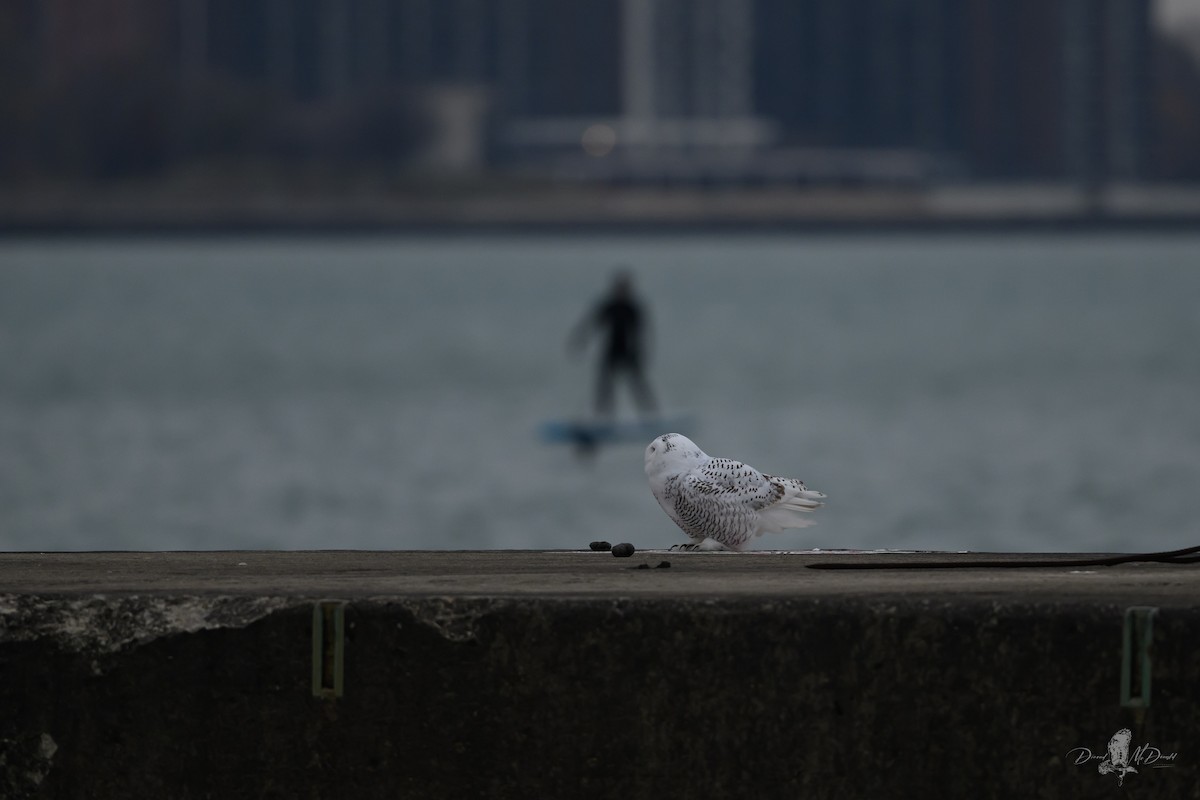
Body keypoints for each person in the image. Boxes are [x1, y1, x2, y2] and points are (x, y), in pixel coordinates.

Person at [569, 270, 658, 418]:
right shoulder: (609, 306)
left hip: (629, 352)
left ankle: (650, 415)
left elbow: (641, 333)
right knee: (604, 387)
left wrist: (642, 353)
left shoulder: (633, 308)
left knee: (639, 386)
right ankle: (602, 416)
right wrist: (579, 341)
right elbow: (590, 325)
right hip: (611, 351)